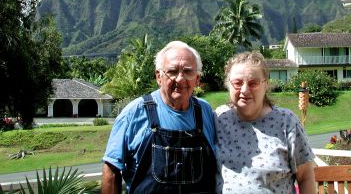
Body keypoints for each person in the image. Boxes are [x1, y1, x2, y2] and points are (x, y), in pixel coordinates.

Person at [101, 41, 216, 194]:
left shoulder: (205, 111)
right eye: (172, 71)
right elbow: (111, 171)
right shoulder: (134, 113)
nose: (180, 79)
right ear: (158, 77)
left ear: (197, 79)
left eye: (188, 72)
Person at [214, 51, 316, 194]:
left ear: (265, 85)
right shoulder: (218, 118)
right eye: (237, 83)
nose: (244, 90)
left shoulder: (287, 122)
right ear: (228, 84)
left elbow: (306, 177)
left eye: (253, 83)